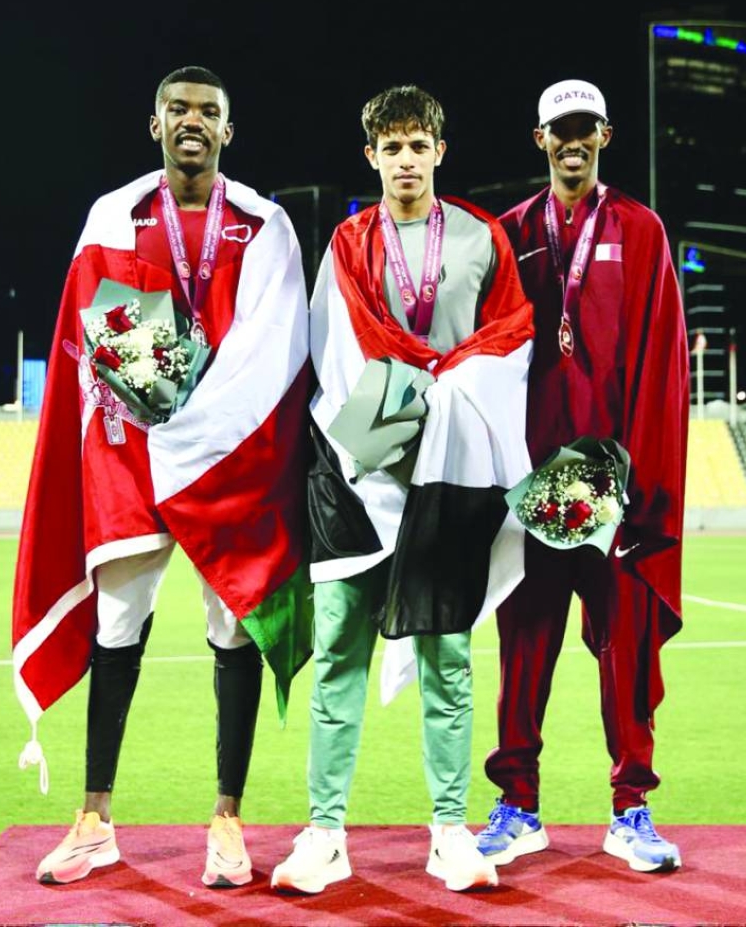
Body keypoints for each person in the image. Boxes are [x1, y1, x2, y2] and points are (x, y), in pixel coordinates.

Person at [11, 65, 313, 889]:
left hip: (227, 462)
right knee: (117, 628)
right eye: (177, 110)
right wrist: (159, 412)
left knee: (232, 626)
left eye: (208, 112)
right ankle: (95, 818)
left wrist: (197, 424)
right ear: (154, 125)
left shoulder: (264, 223)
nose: (192, 122)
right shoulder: (113, 214)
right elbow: (90, 322)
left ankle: (226, 818)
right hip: (132, 457)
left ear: (227, 129)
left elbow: (277, 348)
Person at [271, 85, 534, 894]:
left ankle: (450, 828)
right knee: (341, 654)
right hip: (363, 475)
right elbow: (332, 350)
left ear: (440, 153)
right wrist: (411, 402)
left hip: (447, 476)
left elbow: (511, 337)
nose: (407, 159)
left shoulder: (482, 238)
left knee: (449, 657)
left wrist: (446, 400)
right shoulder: (349, 242)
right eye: (392, 147)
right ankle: (324, 833)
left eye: (420, 145)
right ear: (372, 157)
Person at [476, 79, 689, 873]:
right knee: (522, 649)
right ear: (539, 138)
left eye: (585, 129)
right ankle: (517, 806)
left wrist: (636, 486)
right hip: (533, 492)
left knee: (627, 654)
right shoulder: (511, 233)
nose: (572, 141)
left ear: (606, 134)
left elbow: (663, 361)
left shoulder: (640, 229)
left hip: (614, 491)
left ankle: (631, 810)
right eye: (558, 130)